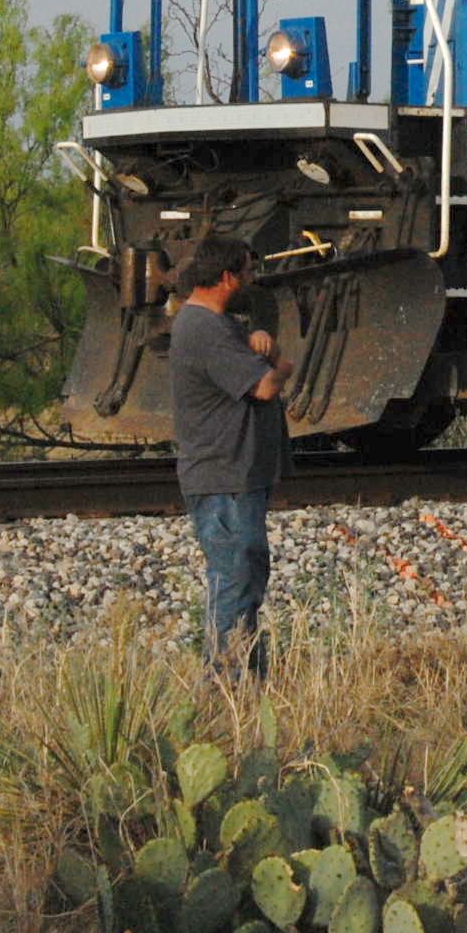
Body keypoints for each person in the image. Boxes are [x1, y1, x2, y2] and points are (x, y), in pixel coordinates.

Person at [168, 235, 293, 675]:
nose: (252, 280)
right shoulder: (206, 330)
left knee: (243, 578)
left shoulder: (215, 324)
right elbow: (263, 385)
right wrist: (281, 364)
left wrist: (259, 338)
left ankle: (245, 677)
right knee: (234, 581)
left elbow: (250, 351)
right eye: (247, 272)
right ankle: (227, 684)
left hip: (234, 476)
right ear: (227, 278)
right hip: (224, 480)